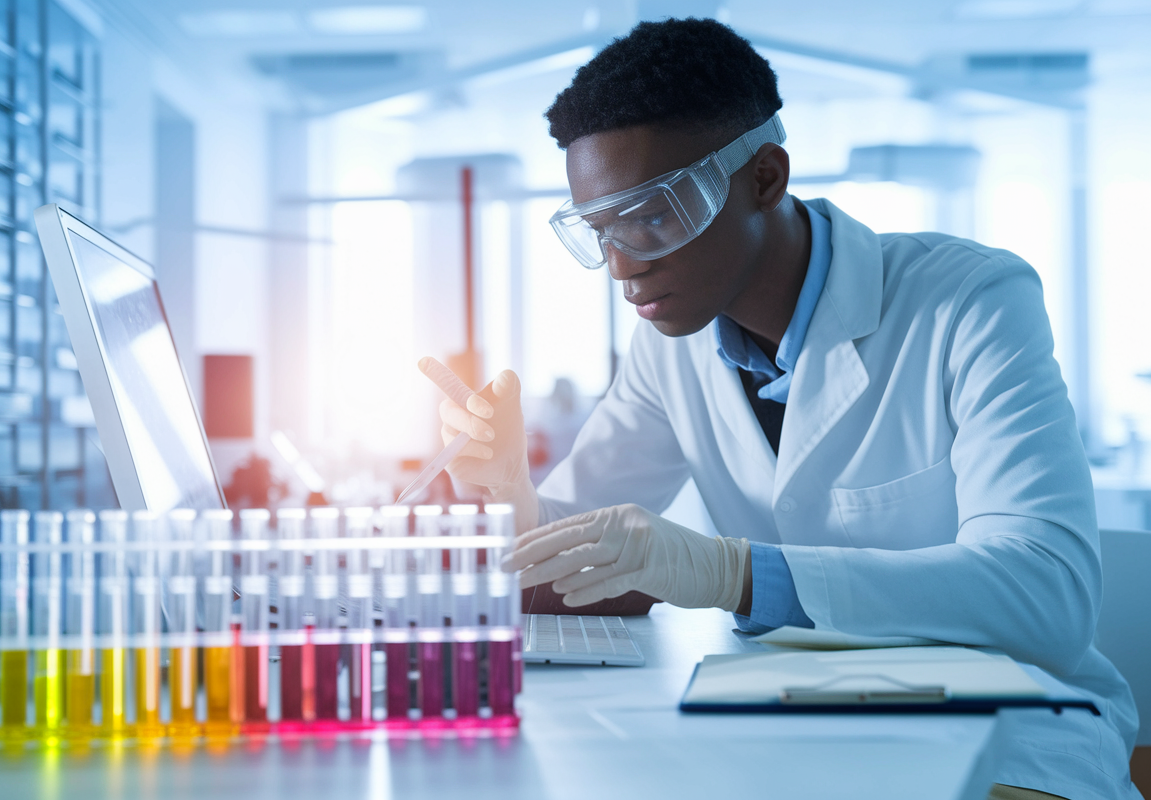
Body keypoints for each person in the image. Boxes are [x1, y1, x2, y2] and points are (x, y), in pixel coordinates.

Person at [433, 18, 1142, 800]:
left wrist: (735, 574)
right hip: (779, 718)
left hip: (1010, 721)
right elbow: (567, 562)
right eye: (602, 231)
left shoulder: (969, 302)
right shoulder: (668, 347)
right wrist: (507, 493)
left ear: (764, 178)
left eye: (653, 215)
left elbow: (1046, 597)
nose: (623, 265)